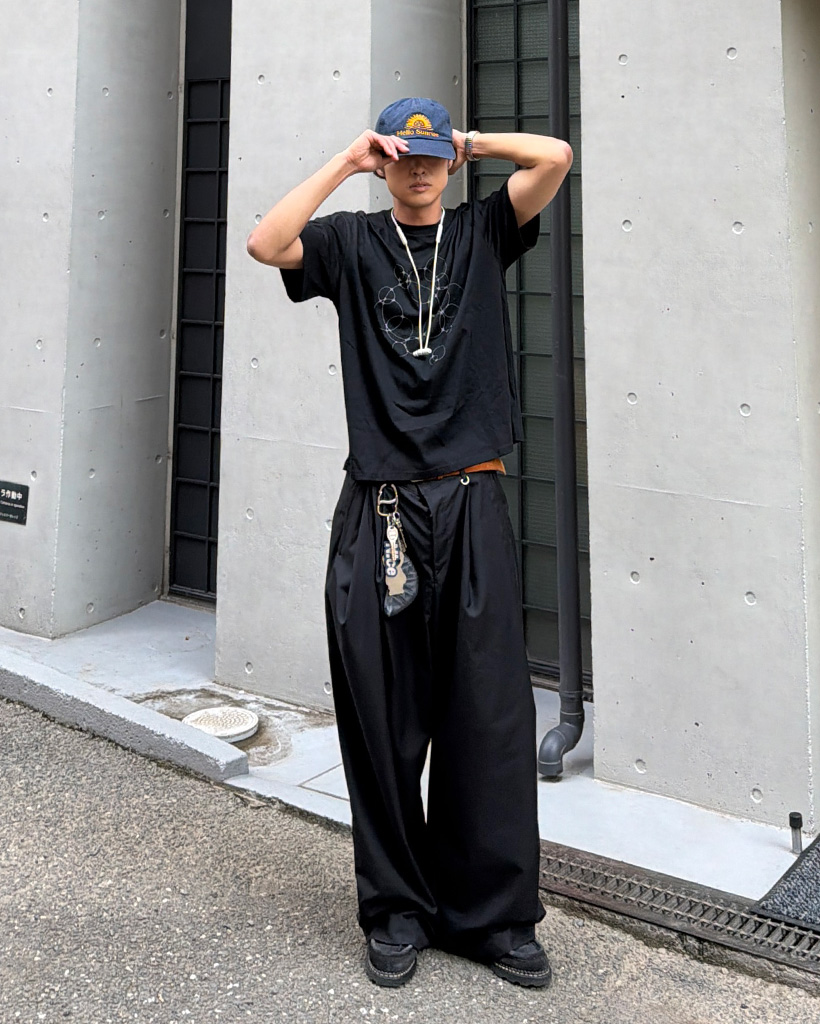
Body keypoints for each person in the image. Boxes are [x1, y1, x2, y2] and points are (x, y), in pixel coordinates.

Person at [247, 97, 572, 989]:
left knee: (489, 717)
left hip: (471, 500)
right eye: (405, 155)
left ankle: (493, 916)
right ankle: (397, 911)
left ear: (448, 162)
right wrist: (346, 160)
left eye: (431, 156)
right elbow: (268, 243)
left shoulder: (483, 231)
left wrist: (470, 141)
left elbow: (554, 156)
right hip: (380, 509)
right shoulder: (352, 242)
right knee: (382, 719)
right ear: (385, 162)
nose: (420, 169)